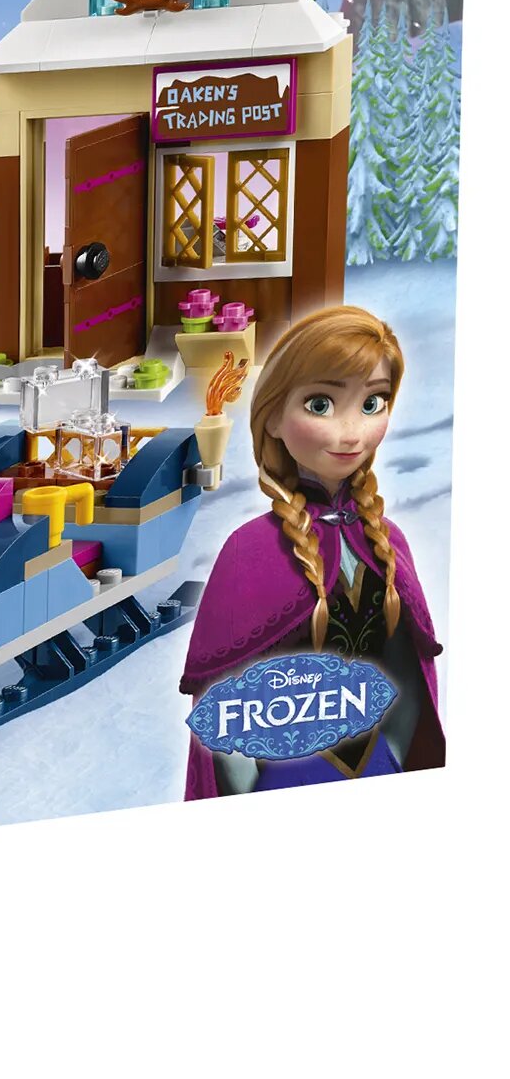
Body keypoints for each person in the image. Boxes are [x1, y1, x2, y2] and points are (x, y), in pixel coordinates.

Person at [180, 306, 444, 797]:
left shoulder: (386, 541)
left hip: (377, 768)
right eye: (321, 404)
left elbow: (408, 675)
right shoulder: (248, 551)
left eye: (373, 403)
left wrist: (393, 756)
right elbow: (222, 704)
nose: (353, 432)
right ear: (273, 417)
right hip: (283, 780)